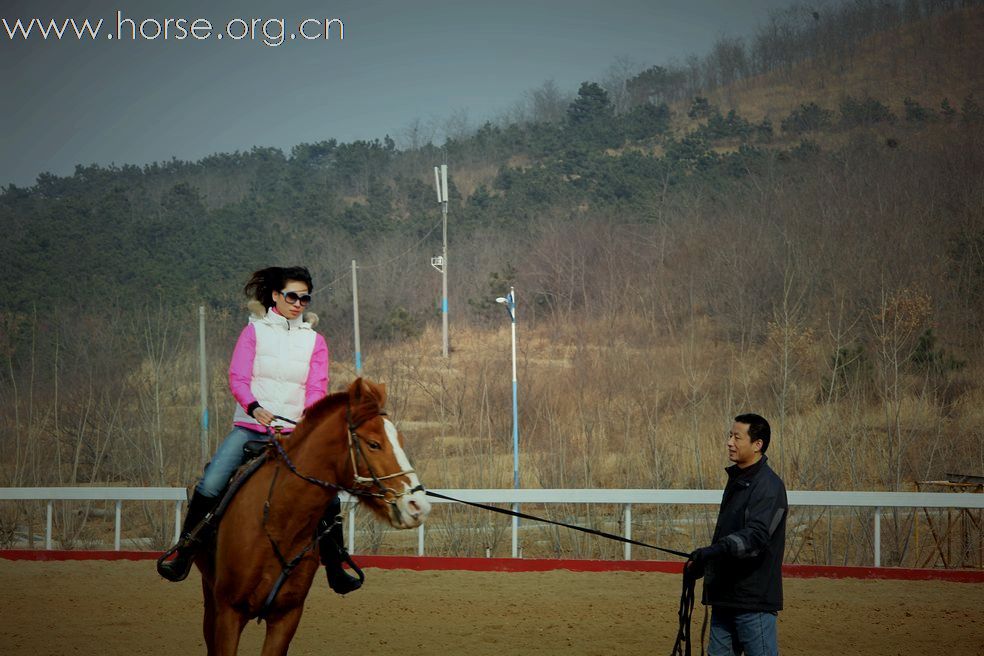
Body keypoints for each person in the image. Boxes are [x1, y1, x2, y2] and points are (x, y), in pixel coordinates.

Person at [157, 266, 362, 595]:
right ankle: (184, 551)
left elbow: (316, 388)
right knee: (211, 482)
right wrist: (254, 408)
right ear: (276, 296)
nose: (298, 303)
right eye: (292, 296)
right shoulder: (253, 332)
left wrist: (308, 418)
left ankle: (336, 566)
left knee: (328, 494)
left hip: (294, 434)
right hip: (252, 427)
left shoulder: (316, 341)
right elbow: (237, 377)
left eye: (305, 298)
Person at [686, 413, 788, 656]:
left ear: (757, 445)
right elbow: (730, 536)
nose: (729, 442)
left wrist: (714, 551)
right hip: (725, 598)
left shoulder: (770, 487)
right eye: (730, 435)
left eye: (736, 437)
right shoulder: (737, 480)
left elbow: (755, 538)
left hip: (753, 602)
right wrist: (706, 561)